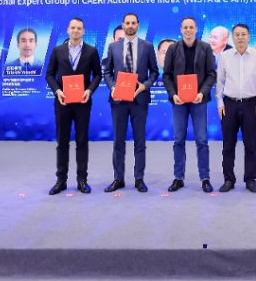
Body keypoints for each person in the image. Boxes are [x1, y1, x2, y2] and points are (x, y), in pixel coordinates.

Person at [102, 12, 160, 193]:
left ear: (138, 25)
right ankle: (118, 178)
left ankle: (139, 179)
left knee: (139, 141)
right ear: (123, 25)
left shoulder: (147, 46)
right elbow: (107, 72)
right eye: (127, 23)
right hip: (118, 100)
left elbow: (155, 72)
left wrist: (145, 86)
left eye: (133, 23)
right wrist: (112, 87)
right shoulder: (113, 47)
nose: (130, 26)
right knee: (118, 141)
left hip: (139, 99)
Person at [45, 18, 102, 195]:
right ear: (67, 30)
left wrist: (89, 90)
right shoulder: (58, 50)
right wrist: (57, 91)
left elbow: (98, 75)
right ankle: (61, 180)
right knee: (62, 141)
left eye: (79, 28)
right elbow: (49, 75)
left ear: (83, 31)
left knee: (82, 141)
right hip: (62, 102)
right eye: (73, 27)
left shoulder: (91, 51)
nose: (75, 30)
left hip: (83, 102)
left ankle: (82, 180)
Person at [163, 17, 217, 193]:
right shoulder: (173, 48)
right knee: (179, 139)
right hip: (178, 101)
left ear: (196, 29)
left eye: (191, 27)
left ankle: (205, 178)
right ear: (181, 29)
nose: (188, 30)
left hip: (198, 100)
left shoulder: (205, 48)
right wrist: (173, 94)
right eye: (185, 27)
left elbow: (211, 74)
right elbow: (166, 75)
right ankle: (178, 178)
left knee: (201, 140)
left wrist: (202, 93)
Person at [216, 24, 256, 193]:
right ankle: (228, 179)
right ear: (232, 37)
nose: (240, 37)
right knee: (228, 144)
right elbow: (219, 82)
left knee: (250, 144)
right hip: (229, 104)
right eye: (237, 34)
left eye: (243, 34)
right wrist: (220, 103)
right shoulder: (225, 56)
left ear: (249, 36)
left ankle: (250, 179)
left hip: (251, 104)